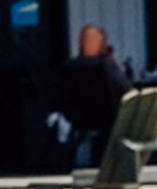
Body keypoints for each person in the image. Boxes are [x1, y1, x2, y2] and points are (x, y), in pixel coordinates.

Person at [51, 23, 132, 153]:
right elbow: (126, 90)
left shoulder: (69, 67)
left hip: (79, 119)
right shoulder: (105, 65)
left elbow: (61, 96)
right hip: (110, 117)